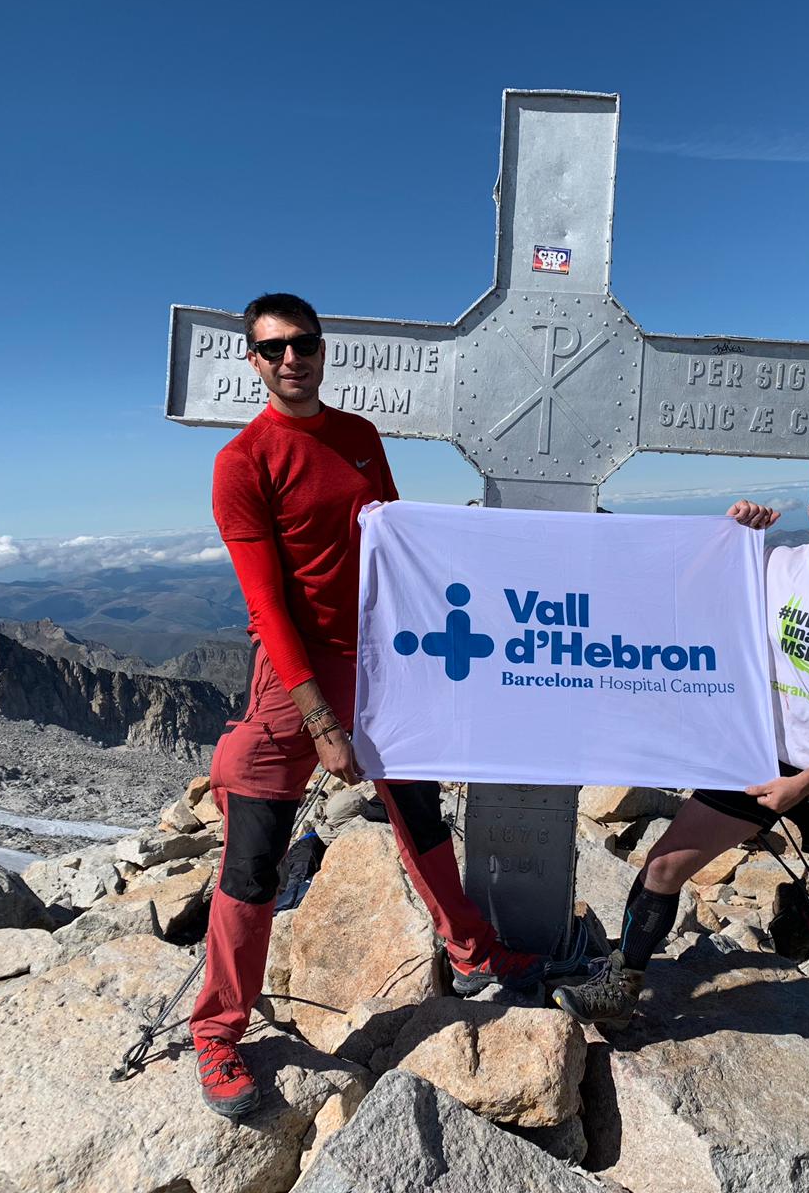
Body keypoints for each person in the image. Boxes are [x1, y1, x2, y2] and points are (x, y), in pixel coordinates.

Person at [191, 292, 547, 1119]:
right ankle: (216, 1032)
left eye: (303, 344)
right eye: (273, 349)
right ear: (253, 361)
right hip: (294, 681)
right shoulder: (244, 462)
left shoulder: (357, 438)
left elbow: (392, 537)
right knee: (253, 858)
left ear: (322, 350)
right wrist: (318, 720)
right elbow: (267, 605)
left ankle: (472, 954)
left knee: (419, 814)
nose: (291, 360)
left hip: (383, 663)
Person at [551, 453, 809, 1143]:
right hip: (752, 759)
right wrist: (728, 536)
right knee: (665, 865)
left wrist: (802, 786)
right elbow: (686, 593)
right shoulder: (777, 564)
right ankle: (621, 983)